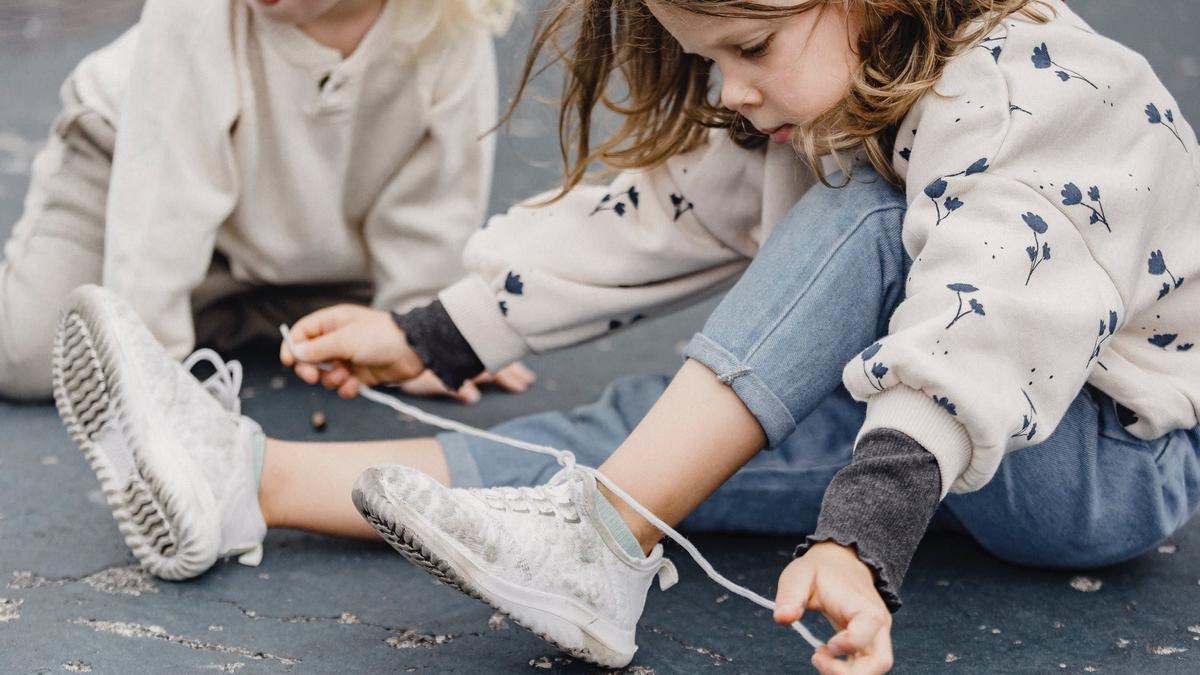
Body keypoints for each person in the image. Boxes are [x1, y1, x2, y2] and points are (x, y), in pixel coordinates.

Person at [53, 0, 1199, 672]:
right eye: (707, 57)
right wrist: (435, 334)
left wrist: (864, 537)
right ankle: (242, 479)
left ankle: (603, 542)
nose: (731, 87)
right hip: (936, 423)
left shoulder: (1031, 85)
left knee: (862, 220)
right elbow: (657, 217)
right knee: (664, 430)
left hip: (1098, 461)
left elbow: (989, 314)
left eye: (748, 46)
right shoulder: (833, 90)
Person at [0, 0, 533, 404]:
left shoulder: (447, 26)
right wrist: (150, 370)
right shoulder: (198, 14)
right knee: (35, 355)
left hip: (310, 227)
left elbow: (435, 200)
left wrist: (420, 335)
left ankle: (223, 298)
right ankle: (207, 301)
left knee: (361, 328)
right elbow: (162, 206)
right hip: (124, 167)